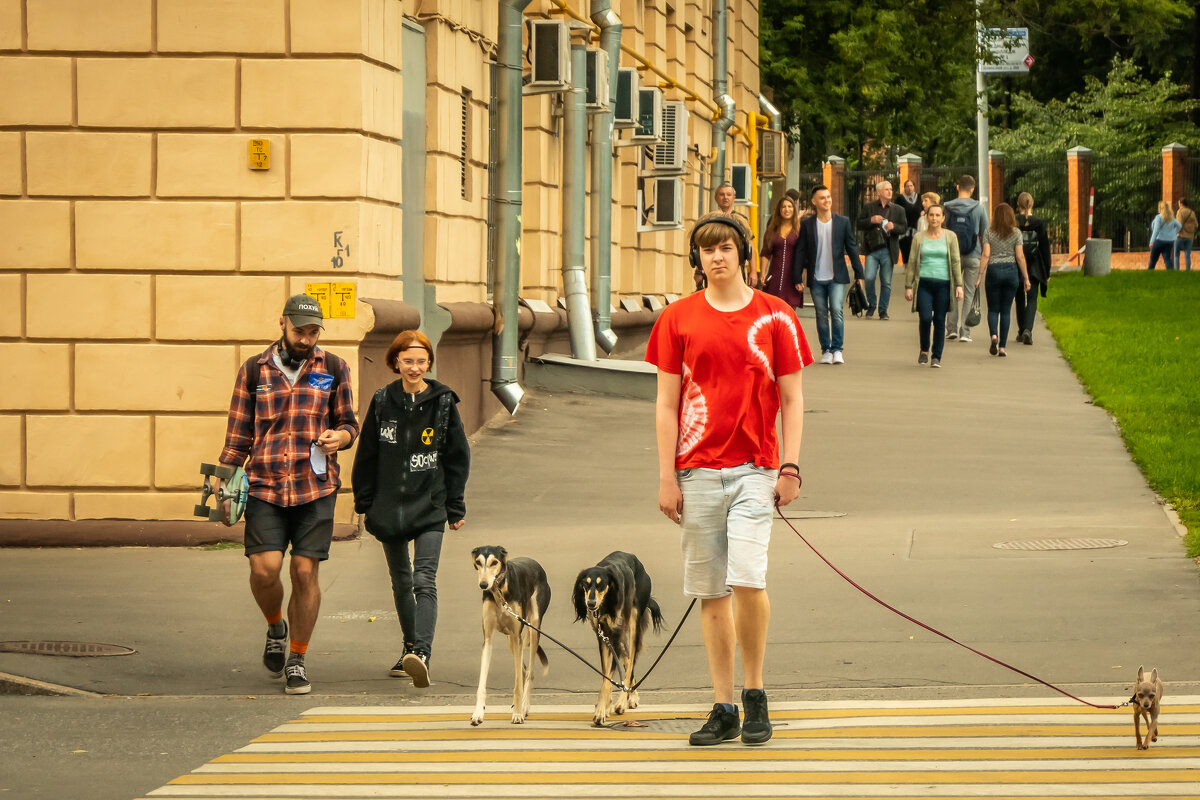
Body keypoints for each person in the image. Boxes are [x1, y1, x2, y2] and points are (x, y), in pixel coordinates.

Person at [647, 212, 813, 747]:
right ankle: (722, 706)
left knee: (747, 577)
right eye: (706, 249)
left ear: (743, 253)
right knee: (710, 591)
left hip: (756, 472)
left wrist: (790, 465)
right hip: (696, 474)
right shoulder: (676, 319)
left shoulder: (777, 316)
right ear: (696, 259)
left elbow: (793, 398)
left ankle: (755, 693)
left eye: (725, 248)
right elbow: (666, 404)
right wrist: (667, 477)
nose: (716, 257)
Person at [216, 294, 359, 695]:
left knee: (304, 571)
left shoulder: (333, 368)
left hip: (315, 487)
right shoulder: (254, 371)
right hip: (264, 485)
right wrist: (224, 482)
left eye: (314, 332)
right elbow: (238, 433)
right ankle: (275, 625)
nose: (307, 339)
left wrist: (341, 437)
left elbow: (349, 421)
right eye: (300, 331)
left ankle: (297, 658)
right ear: (282, 323)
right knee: (264, 570)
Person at [351, 330, 470, 689]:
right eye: (408, 361)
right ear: (396, 363)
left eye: (421, 361)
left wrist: (455, 505)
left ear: (429, 363)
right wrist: (364, 501)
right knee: (401, 581)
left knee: (423, 580)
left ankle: (422, 653)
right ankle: (408, 649)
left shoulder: (443, 402)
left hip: (429, 505)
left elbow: (457, 456)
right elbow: (367, 452)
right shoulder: (383, 400)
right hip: (389, 506)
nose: (415, 367)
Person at [793, 184, 864, 365]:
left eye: (828, 197)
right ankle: (826, 350)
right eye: (822, 198)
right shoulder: (807, 224)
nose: (827, 200)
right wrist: (796, 276)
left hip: (837, 276)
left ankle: (837, 349)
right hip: (816, 278)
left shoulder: (842, 222)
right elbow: (801, 251)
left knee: (837, 311)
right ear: (814, 201)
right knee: (821, 313)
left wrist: (859, 273)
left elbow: (852, 248)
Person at [904, 204, 964, 368]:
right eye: (932, 215)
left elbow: (956, 262)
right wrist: (908, 286)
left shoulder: (950, 237)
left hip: (944, 284)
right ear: (927, 217)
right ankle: (924, 349)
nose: (934, 218)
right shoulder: (919, 237)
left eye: (938, 215)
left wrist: (959, 285)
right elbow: (913, 261)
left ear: (943, 218)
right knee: (925, 317)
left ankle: (936, 356)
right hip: (924, 283)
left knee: (939, 319)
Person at [977, 203, 1032, 358]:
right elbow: (1020, 257)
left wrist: (980, 276)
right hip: (1011, 272)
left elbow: (986, 255)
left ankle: (994, 336)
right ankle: (1002, 347)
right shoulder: (1016, 233)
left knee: (993, 309)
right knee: (1006, 310)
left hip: (994, 271)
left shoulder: (989, 232)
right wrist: (1026, 278)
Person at [943, 175, 989, 342]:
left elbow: (942, 230)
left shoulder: (947, 207)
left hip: (951, 255)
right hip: (974, 255)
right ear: (972, 189)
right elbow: (985, 235)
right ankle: (965, 332)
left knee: (952, 291)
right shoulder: (979, 208)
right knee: (969, 292)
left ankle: (951, 329)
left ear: (957, 187)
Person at [856, 180, 907, 319]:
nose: (890, 191)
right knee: (869, 277)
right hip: (872, 249)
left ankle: (883, 310)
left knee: (886, 282)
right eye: (886, 189)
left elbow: (904, 228)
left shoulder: (898, 209)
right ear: (879, 192)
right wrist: (870, 220)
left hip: (888, 249)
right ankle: (872, 304)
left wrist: (894, 226)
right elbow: (859, 223)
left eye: (891, 189)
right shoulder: (869, 207)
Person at [1014, 192, 1052, 345]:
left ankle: (1021, 329)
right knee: (1032, 299)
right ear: (1032, 204)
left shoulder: (1014, 221)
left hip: (1017, 263)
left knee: (1019, 298)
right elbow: (1045, 247)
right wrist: (1047, 271)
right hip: (1035, 265)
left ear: (1018, 205)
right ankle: (1028, 330)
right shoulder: (1039, 222)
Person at [759, 195, 804, 311]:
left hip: (792, 277)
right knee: (772, 309)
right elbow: (765, 252)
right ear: (779, 210)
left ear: (794, 210)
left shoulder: (799, 230)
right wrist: (763, 272)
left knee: (789, 312)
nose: (787, 209)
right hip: (774, 275)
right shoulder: (771, 230)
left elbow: (804, 256)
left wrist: (801, 277)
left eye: (790, 206)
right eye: (783, 207)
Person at [714, 183, 758, 285]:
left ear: (734, 198)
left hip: (737, 268)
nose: (725, 197)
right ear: (716, 198)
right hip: (715, 267)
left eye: (728, 194)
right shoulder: (710, 220)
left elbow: (750, 245)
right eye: (722, 194)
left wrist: (753, 271)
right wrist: (698, 271)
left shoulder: (742, 220)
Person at [894, 179, 923, 264]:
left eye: (911, 186)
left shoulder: (919, 198)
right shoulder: (899, 199)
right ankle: (906, 267)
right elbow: (896, 212)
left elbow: (924, 209)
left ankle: (915, 267)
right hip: (905, 229)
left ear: (914, 187)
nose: (909, 188)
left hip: (917, 228)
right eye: (907, 186)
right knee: (905, 248)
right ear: (904, 188)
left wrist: (923, 212)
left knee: (917, 249)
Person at [1148, 201, 1180, 270]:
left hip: (1159, 240)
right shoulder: (1171, 218)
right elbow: (1179, 225)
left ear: (1160, 208)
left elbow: (1156, 230)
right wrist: (1173, 233)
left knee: (1153, 259)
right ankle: (1170, 274)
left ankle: (1149, 273)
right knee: (1167, 258)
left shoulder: (1159, 217)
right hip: (1169, 241)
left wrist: (1152, 241)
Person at [1174, 198, 1195, 271]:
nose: (1178, 205)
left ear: (1181, 204)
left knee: (1176, 254)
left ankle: (1177, 271)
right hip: (1190, 237)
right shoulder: (1192, 212)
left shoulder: (1180, 212)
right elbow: (1196, 224)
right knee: (1187, 255)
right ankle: (1188, 271)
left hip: (1180, 236)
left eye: (1179, 203)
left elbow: (1179, 224)